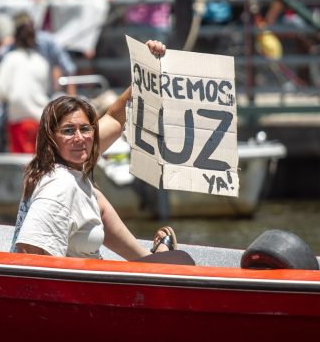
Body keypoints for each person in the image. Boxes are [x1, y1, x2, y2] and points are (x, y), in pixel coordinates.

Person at [11, 40, 194, 264]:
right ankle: (154, 260)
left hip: (88, 277)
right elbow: (29, 257)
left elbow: (117, 117)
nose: (79, 137)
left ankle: (147, 259)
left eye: (85, 129)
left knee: (93, 196)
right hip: (76, 291)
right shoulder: (60, 184)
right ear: (52, 138)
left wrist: (148, 69)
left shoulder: (74, 158)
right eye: (68, 131)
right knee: (182, 260)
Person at [0, 15, 52, 154]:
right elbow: (46, 88)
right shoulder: (41, 61)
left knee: (24, 167)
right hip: (41, 120)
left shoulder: (10, 59)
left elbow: (0, 88)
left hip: (19, 120)